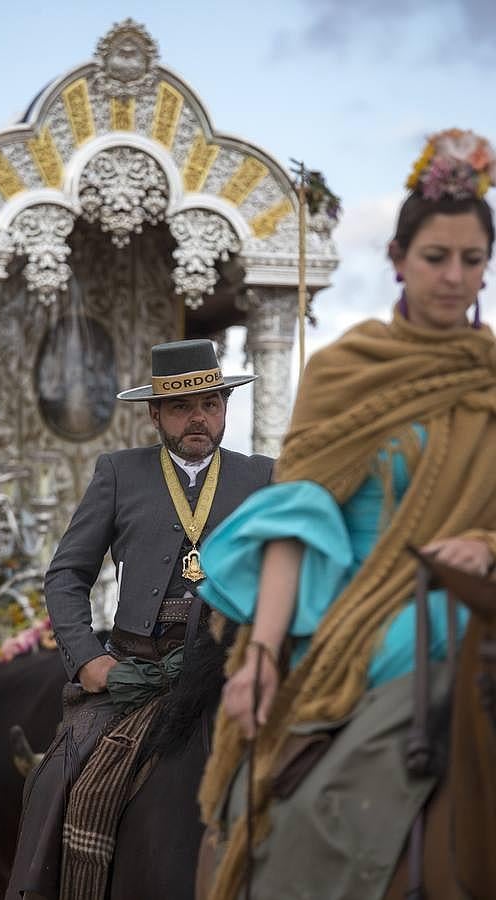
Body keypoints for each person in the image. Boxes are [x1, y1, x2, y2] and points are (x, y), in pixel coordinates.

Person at [196, 128, 496, 900]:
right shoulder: (345, 370)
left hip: (481, 608)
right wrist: (260, 652)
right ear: (397, 259)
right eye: (436, 258)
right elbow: (297, 514)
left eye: (473, 261)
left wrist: (487, 546)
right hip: (366, 618)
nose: (454, 277)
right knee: (312, 816)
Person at [5, 338, 273, 900]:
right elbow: (66, 577)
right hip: (137, 674)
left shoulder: (264, 479)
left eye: (210, 403)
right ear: (155, 414)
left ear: (225, 407)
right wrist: (93, 663)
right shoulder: (118, 473)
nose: (198, 417)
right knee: (59, 778)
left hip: (234, 666)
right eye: (181, 406)